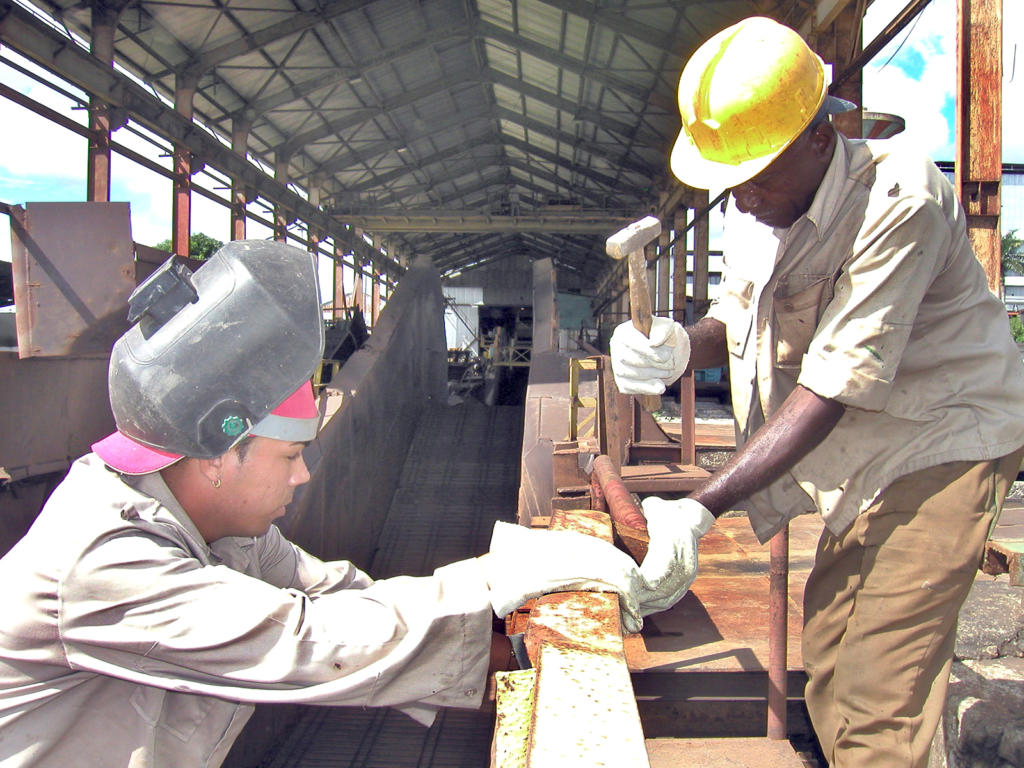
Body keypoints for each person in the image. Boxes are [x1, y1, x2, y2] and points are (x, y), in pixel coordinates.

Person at [0, 240, 703, 767]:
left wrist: (519, 636)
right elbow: (302, 642)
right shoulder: (103, 561)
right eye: (287, 455)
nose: (303, 476)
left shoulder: (215, 524)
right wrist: (494, 577)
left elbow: (338, 594)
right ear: (219, 453)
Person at [610, 16, 1024, 768]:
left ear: (820, 138)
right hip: (865, 456)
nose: (742, 197)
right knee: (830, 668)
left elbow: (830, 384)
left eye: (757, 175)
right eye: (731, 181)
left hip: (944, 441)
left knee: (875, 706)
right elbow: (735, 318)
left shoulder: (902, 197)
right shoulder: (763, 208)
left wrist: (699, 509)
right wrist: (677, 346)